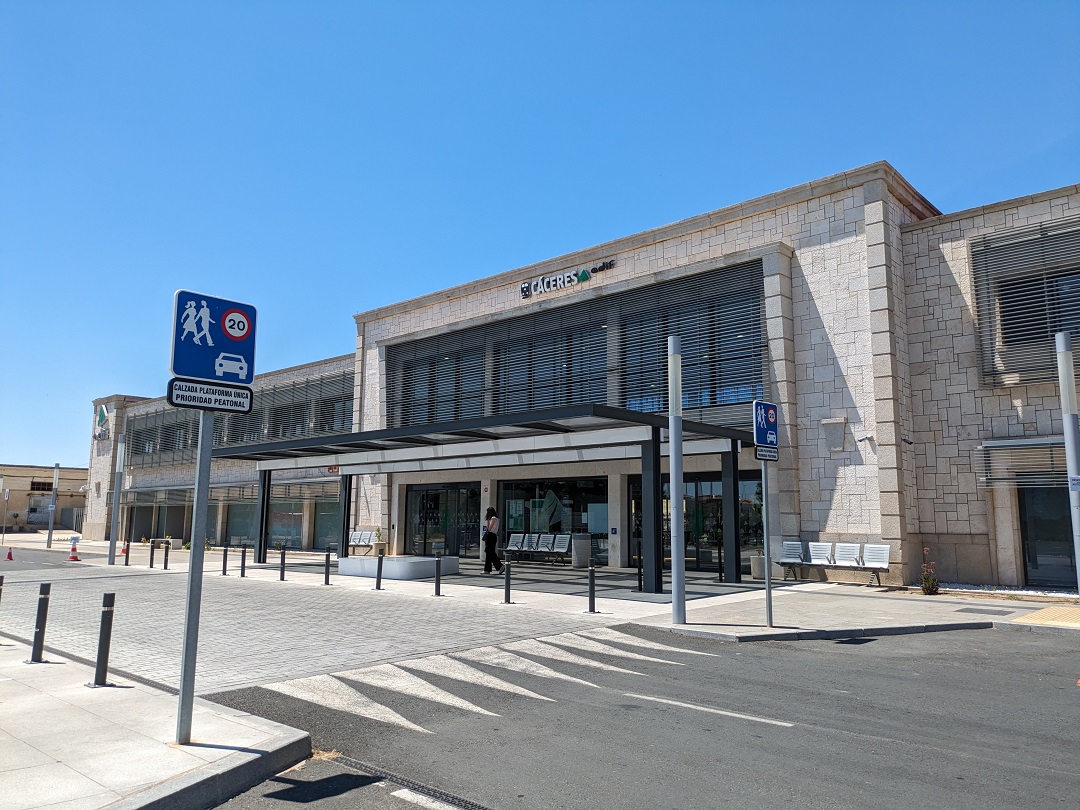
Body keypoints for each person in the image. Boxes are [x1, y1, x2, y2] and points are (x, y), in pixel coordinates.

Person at [483, 506, 503, 575]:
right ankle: (495, 567)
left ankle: (498, 566)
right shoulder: (497, 519)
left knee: (489, 552)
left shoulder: (493, 518)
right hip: (494, 536)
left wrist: (488, 521)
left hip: (490, 536)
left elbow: (489, 528)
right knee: (490, 552)